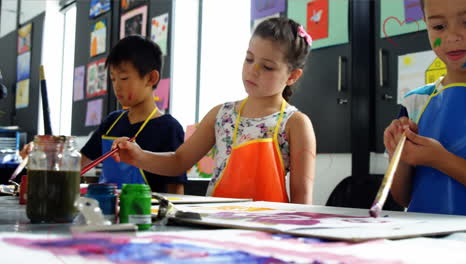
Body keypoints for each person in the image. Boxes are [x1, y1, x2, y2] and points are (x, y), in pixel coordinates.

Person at [111, 17, 316, 204]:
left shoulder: (295, 123)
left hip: (269, 230)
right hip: (217, 224)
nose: (252, 70)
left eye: (268, 67)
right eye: (249, 59)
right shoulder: (222, 115)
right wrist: (139, 156)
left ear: (292, 76)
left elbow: (302, 197)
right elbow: (178, 161)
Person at [21, 36, 187, 194]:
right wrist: (43, 155)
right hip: (105, 211)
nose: (117, 86)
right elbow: (76, 164)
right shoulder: (112, 122)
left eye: (123, 78)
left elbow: (176, 191)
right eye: (113, 79)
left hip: (145, 217)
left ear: (151, 78)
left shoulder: (169, 128)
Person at [384, 0, 466, 215]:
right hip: (425, 241)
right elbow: (402, 197)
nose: (452, 37)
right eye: (439, 27)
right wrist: (399, 157)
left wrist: (441, 159)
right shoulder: (415, 102)